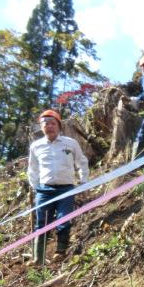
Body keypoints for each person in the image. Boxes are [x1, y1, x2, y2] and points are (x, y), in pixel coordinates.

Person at [27, 109, 89, 264]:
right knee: (42, 222)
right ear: (41, 127)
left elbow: (81, 162)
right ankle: (38, 258)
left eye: (53, 123)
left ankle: (60, 252)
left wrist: (83, 181)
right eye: (45, 124)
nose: (49, 126)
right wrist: (35, 187)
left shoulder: (70, 143)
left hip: (66, 188)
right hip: (44, 190)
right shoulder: (36, 146)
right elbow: (32, 168)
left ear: (59, 126)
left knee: (64, 219)